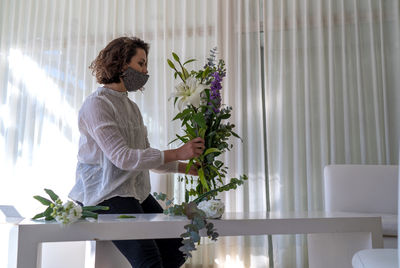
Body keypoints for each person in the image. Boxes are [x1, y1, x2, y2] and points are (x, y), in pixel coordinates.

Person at [68, 36, 205, 268]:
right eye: (141, 63)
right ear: (122, 64)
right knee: (148, 258)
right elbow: (123, 158)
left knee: (177, 249)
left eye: (146, 64)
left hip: (132, 192)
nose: (145, 70)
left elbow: (145, 157)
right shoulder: (97, 105)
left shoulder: (132, 108)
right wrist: (177, 153)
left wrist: (186, 168)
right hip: (105, 195)